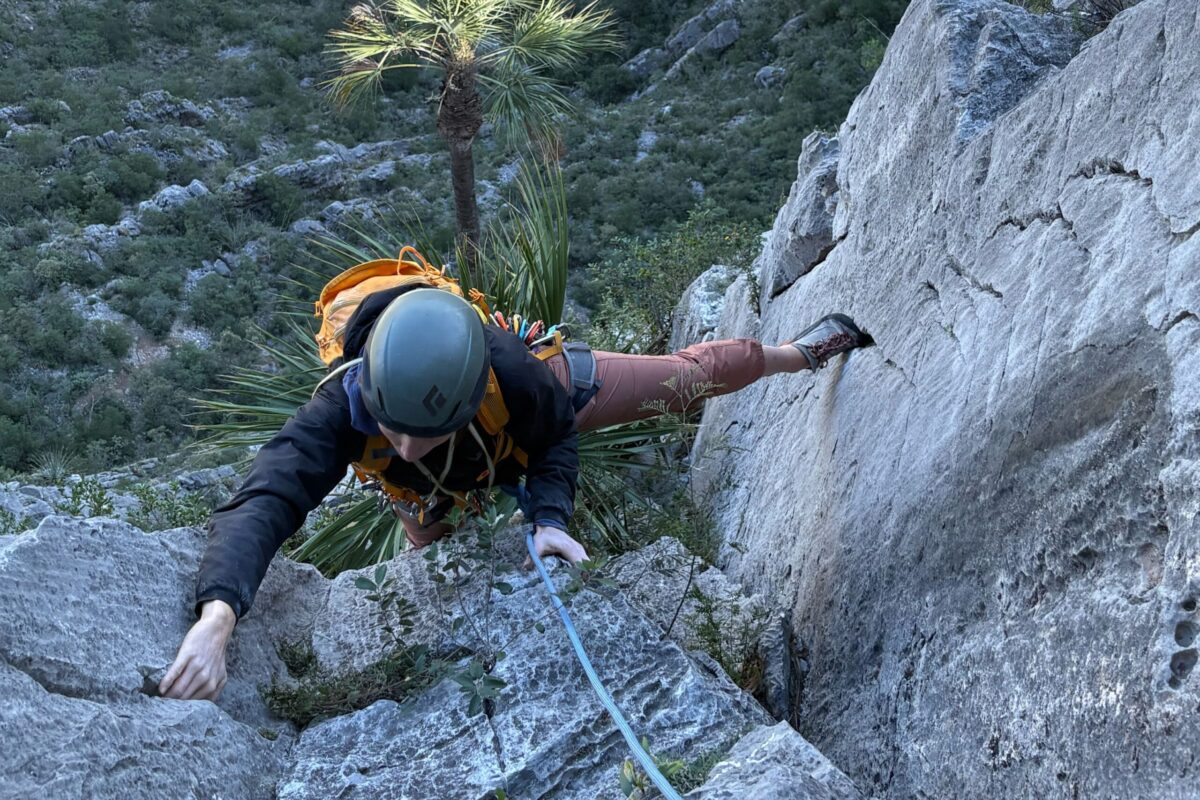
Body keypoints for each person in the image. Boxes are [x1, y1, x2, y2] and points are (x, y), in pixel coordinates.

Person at [159, 285, 868, 701]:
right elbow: (266, 499)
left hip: (526, 418)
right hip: (427, 495)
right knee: (431, 573)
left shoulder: (513, 372)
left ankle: (797, 353)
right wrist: (218, 617)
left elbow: (555, 438)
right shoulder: (337, 409)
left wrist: (549, 518)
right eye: (391, 428)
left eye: (421, 432)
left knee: (680, 380)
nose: (402, 447)